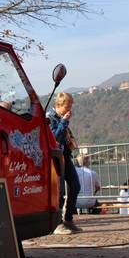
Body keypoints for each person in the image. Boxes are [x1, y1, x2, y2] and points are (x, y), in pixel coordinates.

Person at [47, 92, 82, 234]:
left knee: (75, 185)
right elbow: (53, 136)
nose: (69, 110)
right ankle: (57, 223)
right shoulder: (50, 118)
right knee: (59, 191)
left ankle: (68, 218)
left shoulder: (61, 117)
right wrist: (64, 122)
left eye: (70, 107)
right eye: (67, 107)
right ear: (59, 105)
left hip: (65, 156)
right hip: (56, 157)